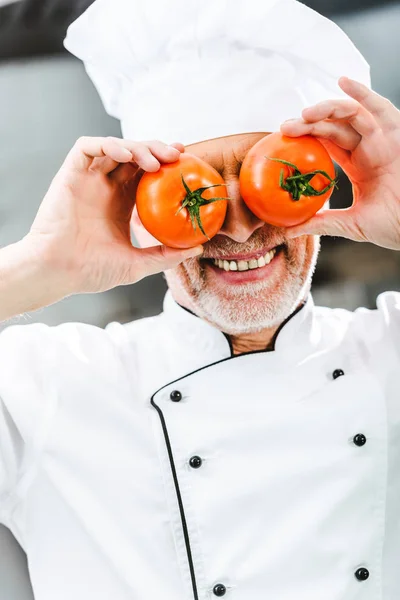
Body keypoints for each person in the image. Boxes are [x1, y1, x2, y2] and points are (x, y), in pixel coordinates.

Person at [0, 1, 399, 599]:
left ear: (320, 189)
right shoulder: (48, 385)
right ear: (141, 211)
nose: (238, 231)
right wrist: (37, 265)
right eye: (196, 194)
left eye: (274, 185)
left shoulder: (389, 355)